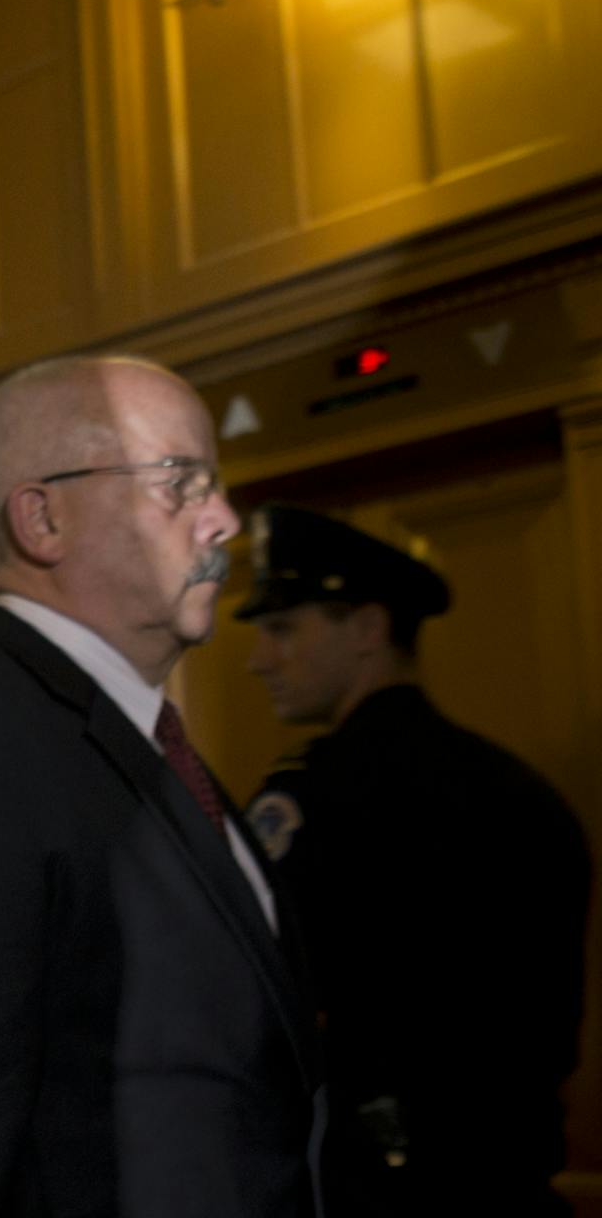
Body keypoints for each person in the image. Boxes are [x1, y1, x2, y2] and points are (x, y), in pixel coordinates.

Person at [0, 356, 322, 1217]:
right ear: (43, 518)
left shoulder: (144, 743)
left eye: (215, 487)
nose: (225, 521)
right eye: (180, 484)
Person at [239, 504, 591, 1217]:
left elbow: (248, 995)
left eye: (283, 629)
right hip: (511, 1183)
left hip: (373, 1188)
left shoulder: (315, 793)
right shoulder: (523, 791)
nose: (258, 658)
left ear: (369, 628)